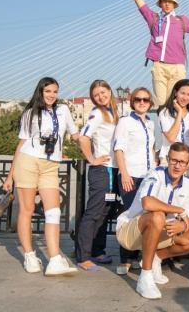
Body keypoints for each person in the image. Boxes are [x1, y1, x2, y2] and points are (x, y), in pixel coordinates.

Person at [2, 77, 79, 276]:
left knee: (53, 212)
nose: (52, 95)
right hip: (28, 161)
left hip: (51, 165)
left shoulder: (63, 110)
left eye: (55, 91)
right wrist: (10, 176)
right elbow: (21, 144)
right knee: (27, 210)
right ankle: (29, 256)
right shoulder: (30, 113)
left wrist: (93, 153)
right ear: (40, 92)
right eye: (48, 91)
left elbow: (76, 135)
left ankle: (54, 260)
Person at [115, 142, 189, 300]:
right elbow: (147, 203)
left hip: (158, 230)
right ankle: (145, 277)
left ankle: (155, 259)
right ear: (167, 159)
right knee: (157, 216)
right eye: (174, 160)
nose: (177, 166)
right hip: (129, 231)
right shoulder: (155, 174)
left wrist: (182, 225)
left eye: (182, 162)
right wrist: (178, 210)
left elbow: (188, 217)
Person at [113, 87, 158, 275]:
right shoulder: (125, 122)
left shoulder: (150, 124)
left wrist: (155, 168)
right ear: (133, 102)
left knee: (146, 215)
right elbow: (118, 149)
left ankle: (140, 256)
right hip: (131, 175)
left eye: (145, 99)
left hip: (148, 177)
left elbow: (152, 149)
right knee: (131, 215)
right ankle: (125, 259)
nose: (142, 102)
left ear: (150, 103)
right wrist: (124, 174)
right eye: (138, 99)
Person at [76, 80, 119, 271]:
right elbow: (83, 137)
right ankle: (83, 257)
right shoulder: (97, 114)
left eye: (103, 92)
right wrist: (92, 159)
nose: (101, 97)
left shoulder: (115, 113)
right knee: (93, 213)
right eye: (96, 95)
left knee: (105, 213)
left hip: (114, 169)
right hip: (102, 171)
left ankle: (97, 251)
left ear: (110, 91)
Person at [157, 79, 189, 178]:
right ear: (175, 93)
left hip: (188, 162)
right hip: (169, 161)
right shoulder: (165, 113)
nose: (185, 98)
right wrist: (179, 113)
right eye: (182, 93)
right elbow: (171, 138)